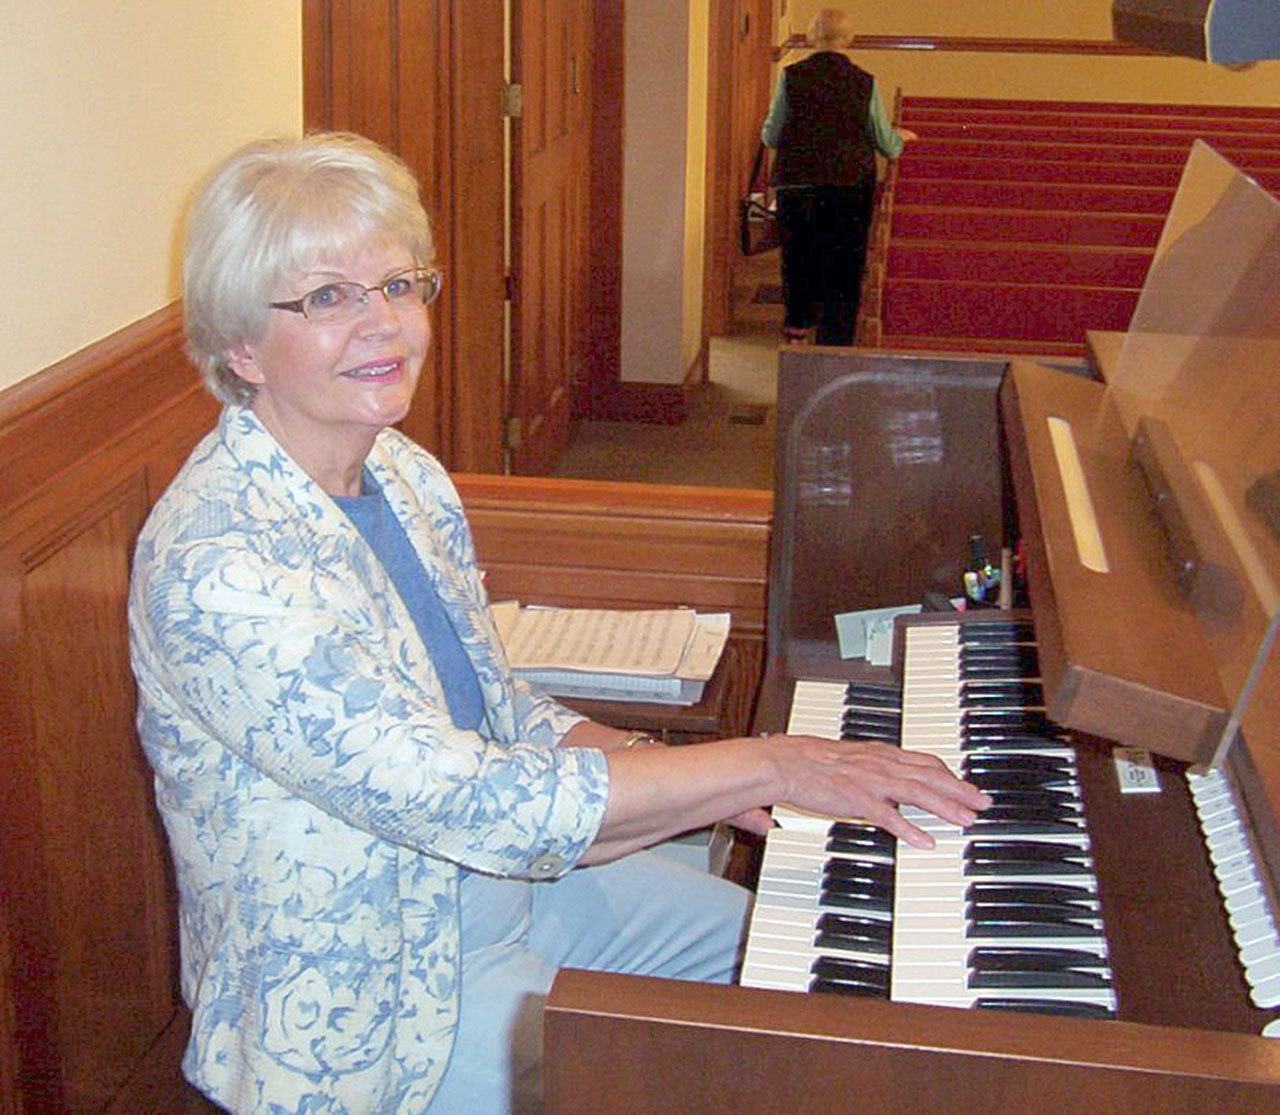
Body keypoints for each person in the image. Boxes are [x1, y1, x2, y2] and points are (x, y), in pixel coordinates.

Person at [128, 131, 987, 1114]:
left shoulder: (401, 473)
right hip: (376, 1000)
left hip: (514, 896)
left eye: (399, 286)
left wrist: (650, 764)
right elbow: (464, 796)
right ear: (240, 343)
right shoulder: (218, 564)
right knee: (735, 1076)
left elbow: (490, 704)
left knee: (804, 969)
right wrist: (766, 763)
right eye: (327, 297)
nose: (384, 325)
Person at [762, 8, 917, 346]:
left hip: (797, 182)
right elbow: (884, 142)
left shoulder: (790, 77)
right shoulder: (865, 82)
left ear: (811, 36)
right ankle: (835, 339)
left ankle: (797, 330)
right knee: (844, 262)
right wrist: (899, 138)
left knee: (797, 256)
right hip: (848, 184)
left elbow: (771, 135)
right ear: (849, 39)